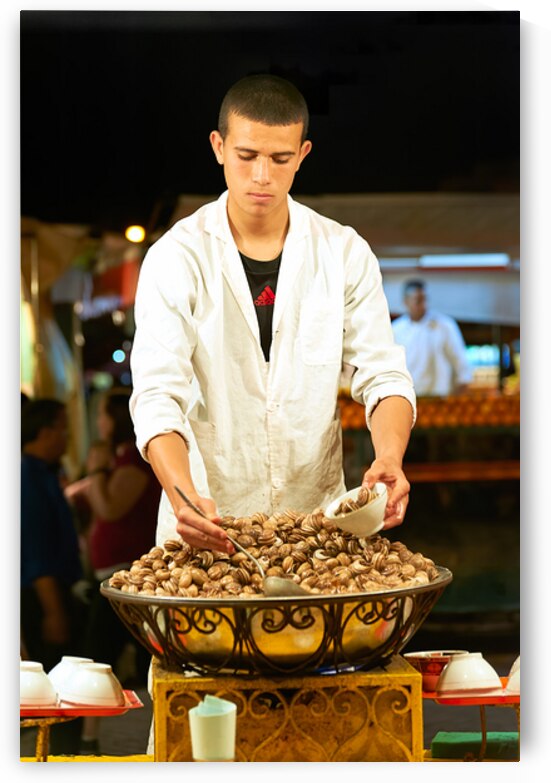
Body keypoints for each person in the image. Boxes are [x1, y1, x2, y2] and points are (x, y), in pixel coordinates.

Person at [129, 73, 416, 555]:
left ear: (303, 154)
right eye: (246, 156)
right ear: (218, 147)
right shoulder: (177, 256)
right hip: (207, 526)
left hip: (318, 531)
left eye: (280, 159)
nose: (262, 175)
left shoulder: (342, 251)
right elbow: (157, 395)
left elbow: (384, 374)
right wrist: (181, 494)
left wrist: (390, 455)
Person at [66, 388, 161, 753]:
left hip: (126, 574)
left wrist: (95, 472)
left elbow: (110, 508)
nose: (99, 422)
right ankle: (94, 738)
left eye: (103, 415)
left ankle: (97, 741)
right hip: (112, 571)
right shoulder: (121, 460)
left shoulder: (133, 463)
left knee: (104, 654)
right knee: (104, 654)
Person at [21, 398, 86, 755]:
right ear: (45, 432)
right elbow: (35, 553)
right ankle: (57, 763)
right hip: (43, 597)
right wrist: (54, 612)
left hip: (55, 591)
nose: (65, 437)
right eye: (63, 428)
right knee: (53, 694)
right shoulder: (26, 478)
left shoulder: (45, 472)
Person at [391, 279, 472, 397]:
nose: (423, 305)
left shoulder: (445, 326)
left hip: (440, 398)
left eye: (424, 299)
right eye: (418, 301)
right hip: (408, 398)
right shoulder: (396, 330)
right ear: (406, 301)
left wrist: (459, 392)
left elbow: (461, 362)